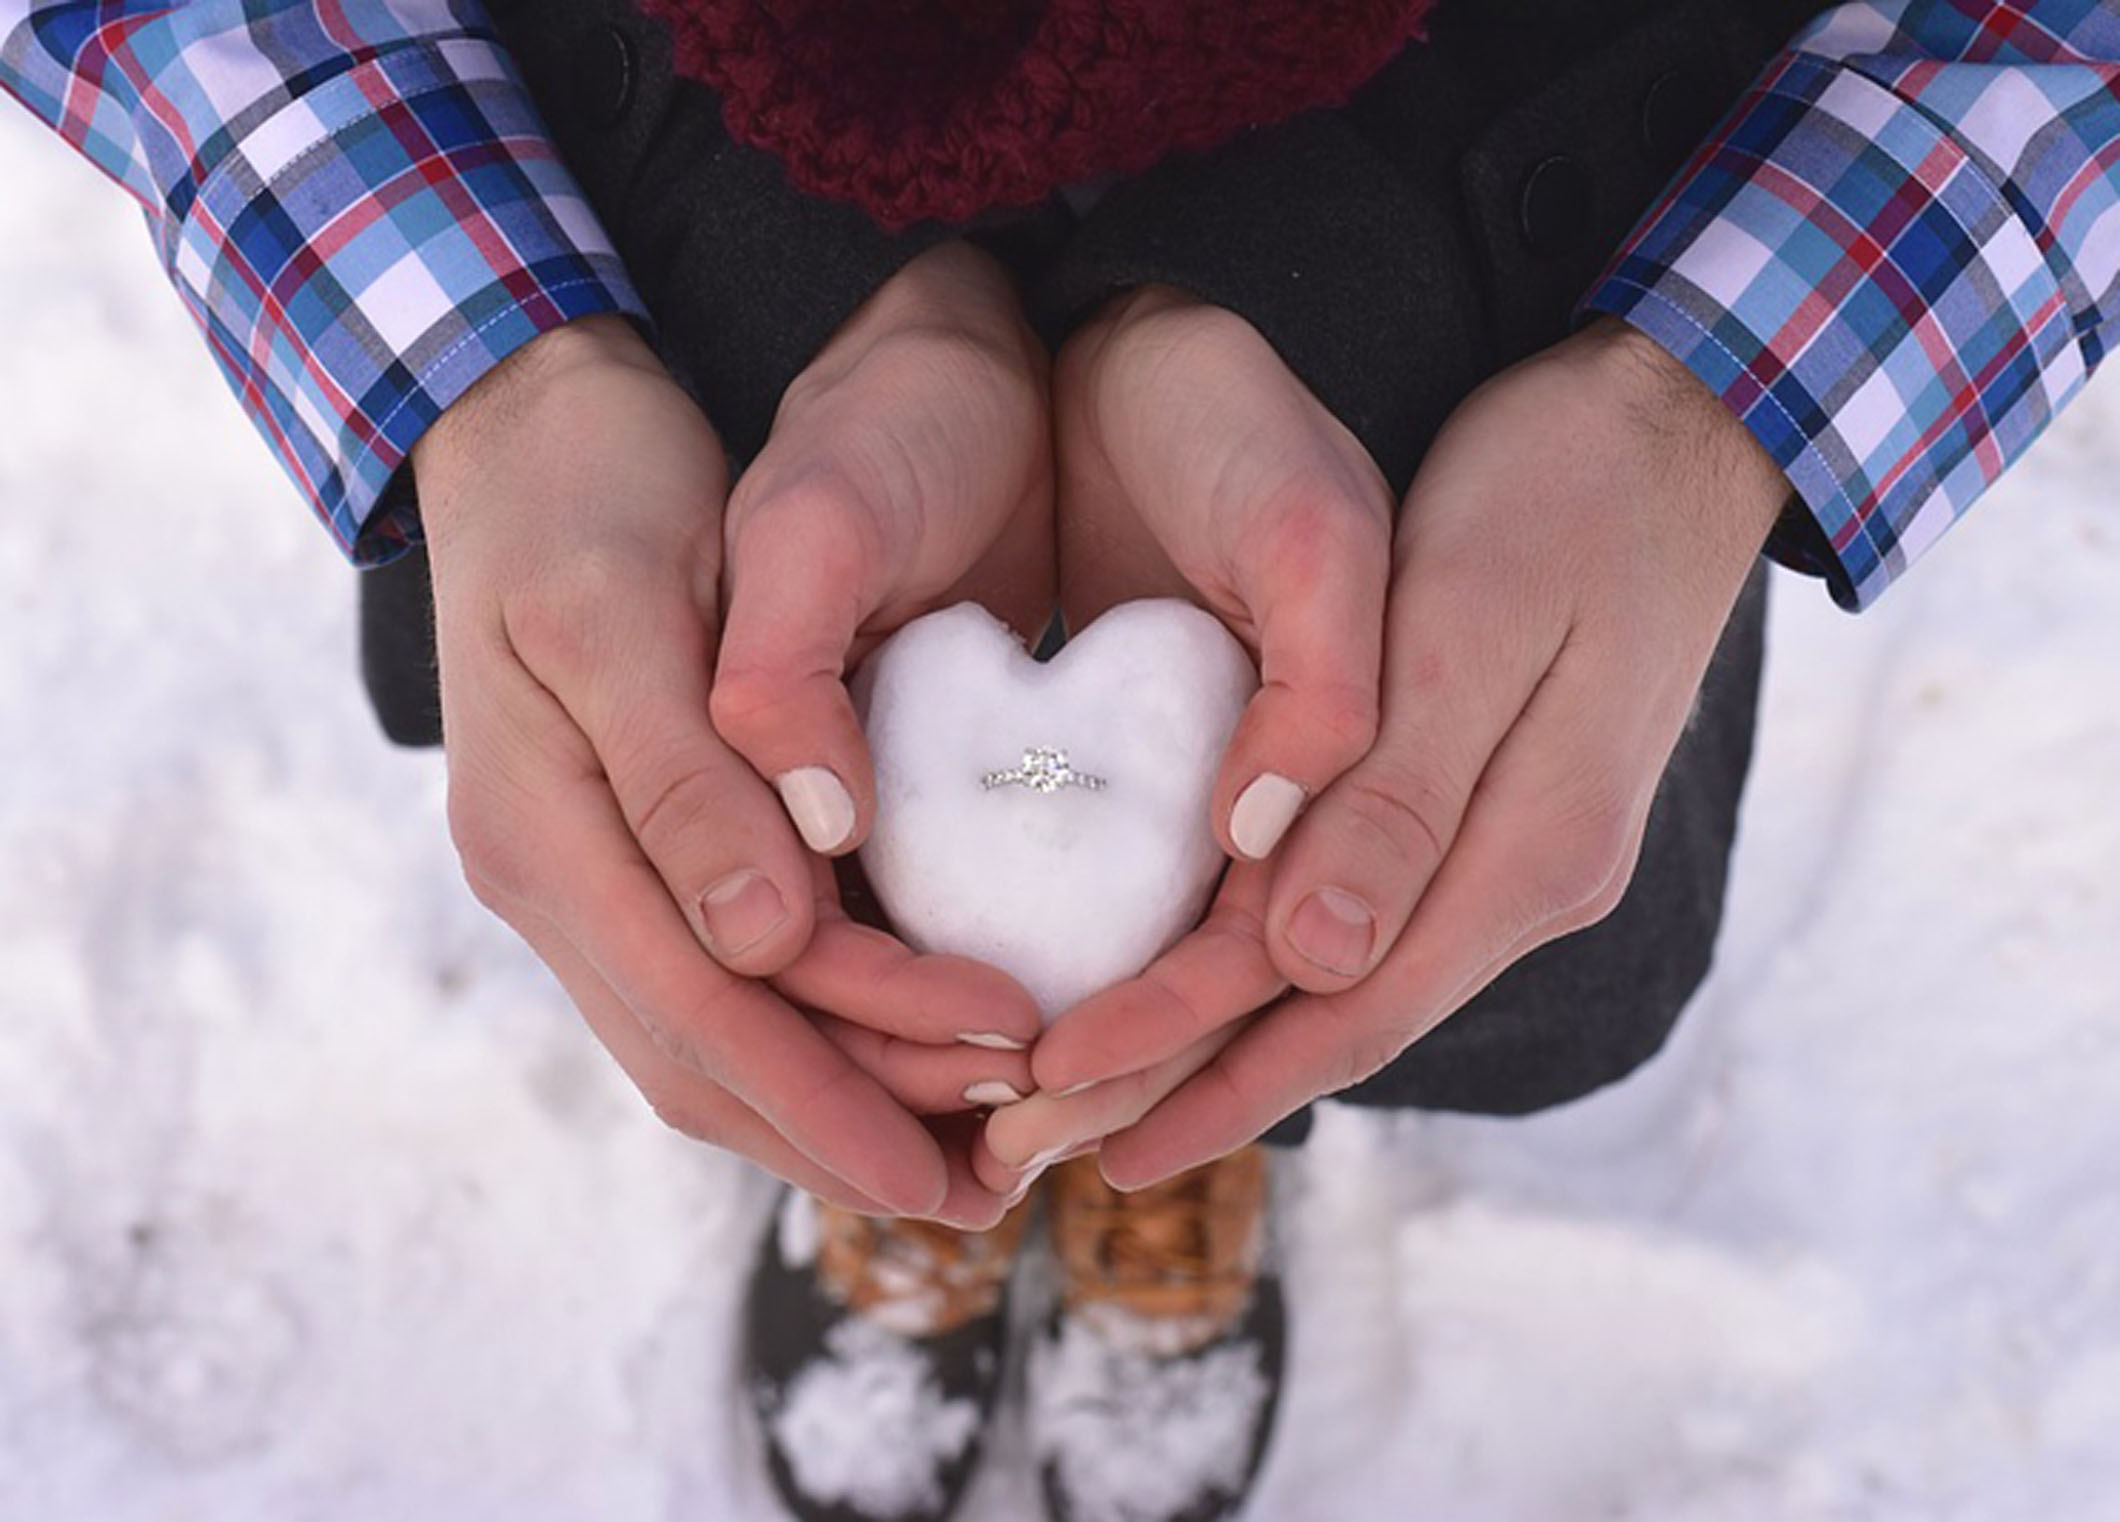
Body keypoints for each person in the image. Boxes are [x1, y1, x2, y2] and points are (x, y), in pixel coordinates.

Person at [5, 2, 2114, 1519]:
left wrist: (1694, 395)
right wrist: (504, 348)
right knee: (767, 807)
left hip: (1489, 205)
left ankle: (1166, 1128)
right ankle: (933, 1137)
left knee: (1341, 839)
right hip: (686, 180)